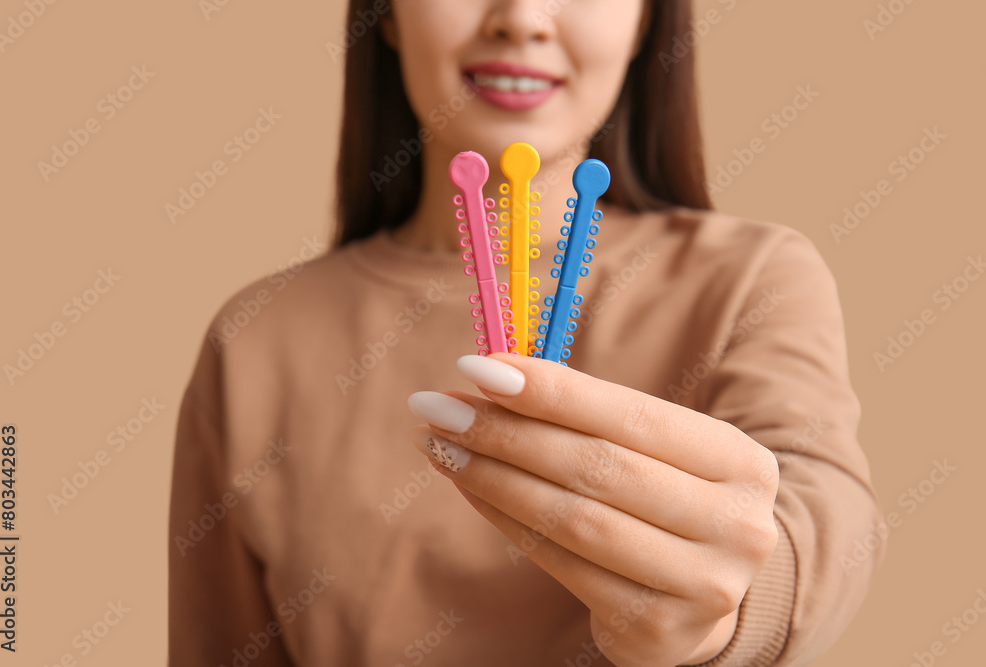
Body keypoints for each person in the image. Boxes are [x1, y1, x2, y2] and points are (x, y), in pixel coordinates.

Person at [168, 1, 886, 665]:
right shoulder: (253, 338)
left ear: (646, 22)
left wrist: (730, 601)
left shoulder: (751, 277)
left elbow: (828, 509)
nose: (521, 18)